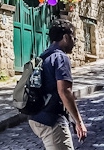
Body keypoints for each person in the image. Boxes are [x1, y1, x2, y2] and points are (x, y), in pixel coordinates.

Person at [29, 19, 87, 150]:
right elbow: (65, 91)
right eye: (74, 38)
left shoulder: (44, 56)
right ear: (66, 37)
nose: (75, 42)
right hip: (50, 119)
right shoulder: (61, 58)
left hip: (37, 116)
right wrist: (79, 121)